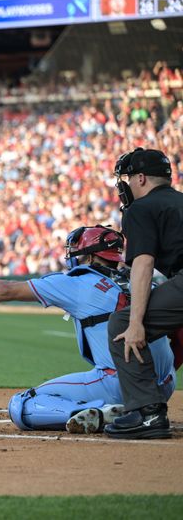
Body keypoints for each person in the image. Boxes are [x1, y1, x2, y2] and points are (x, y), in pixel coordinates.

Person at [0, 225, 176, 434]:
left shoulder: (76, 282)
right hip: (162, 386)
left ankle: (101, 412)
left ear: (91, 257)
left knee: (21, 404)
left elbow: (5, 290)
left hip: (119, 385)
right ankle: (134, 409)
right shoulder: (145, 283)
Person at [105, 148, 183, 439]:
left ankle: (148, 413)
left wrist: (136, 322)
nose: (124, 185)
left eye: (127, 178)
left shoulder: (141, 208)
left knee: (122, 325)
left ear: (140, 178)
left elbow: (143, 262)